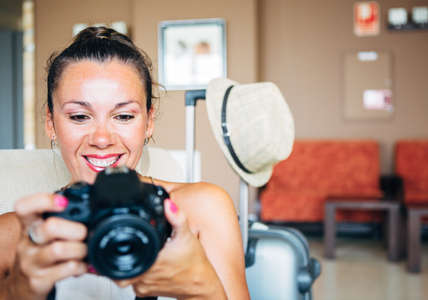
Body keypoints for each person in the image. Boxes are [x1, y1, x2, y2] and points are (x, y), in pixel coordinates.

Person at [0, 26, 250, 300]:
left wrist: (204, 290)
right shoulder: (16, 235)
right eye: (80, 116)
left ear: (149, 121)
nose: (102, 139)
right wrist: (18, 292)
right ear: (51, 123)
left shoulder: (204, 209)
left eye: (124, 116)